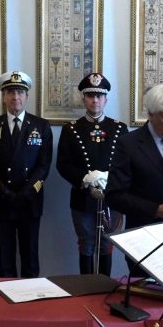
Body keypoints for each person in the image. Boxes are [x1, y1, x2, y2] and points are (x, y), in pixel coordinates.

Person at [105, 82, 163, 277]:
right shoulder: (128, 144)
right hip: (146, 241)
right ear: (151, 114)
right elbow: (114, 196)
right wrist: (155, 209)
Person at [0, 71, 52, 278]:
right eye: (10, 92)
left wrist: (27, 192)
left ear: (27, 96)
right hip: (1, 201)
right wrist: (3, 192)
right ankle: (6, 298)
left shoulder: (41, 126)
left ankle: (31, 298)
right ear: (3, 96)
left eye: (20, 92)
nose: (15, 97)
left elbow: (44, 165)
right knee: (5, 261)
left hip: (30, 201)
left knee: (30, 259)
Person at [56, 73, 128, 275]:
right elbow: (63, 164)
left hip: (111, 197)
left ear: (106, 99)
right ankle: (86, 288)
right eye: (90, 96)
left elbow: (127, 164)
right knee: (86, 244)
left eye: (99, 96)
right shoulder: (71, 129)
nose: (95, 100)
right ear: (83, 99)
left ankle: (105, 287)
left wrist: (109, 178)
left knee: (106, 243)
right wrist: (84, 178)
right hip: (83, 197)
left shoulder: (119, 128)